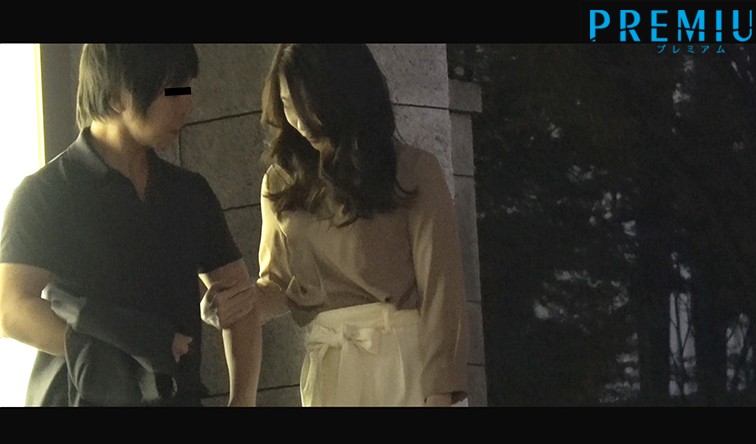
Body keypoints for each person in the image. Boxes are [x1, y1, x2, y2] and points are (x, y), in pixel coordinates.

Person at [202, 43, 469, 406]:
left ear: (345, 92)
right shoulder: (281, 183)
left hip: (403, 365)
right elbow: (278, 285)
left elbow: (443, 294)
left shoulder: (412, 171)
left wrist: (440, 396)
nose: (300, 120)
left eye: (310, 103)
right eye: (288, 104)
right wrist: (234, 305)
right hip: (329, 367)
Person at [0, 44, 261, 407]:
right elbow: (10, 309)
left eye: (187, 88)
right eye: (172, 90)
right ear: (116, 96)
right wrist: (115, 351)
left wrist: (242, 400)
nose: (187, 104)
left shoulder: (189, 192)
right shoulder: (46, 194)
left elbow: (240, 298)